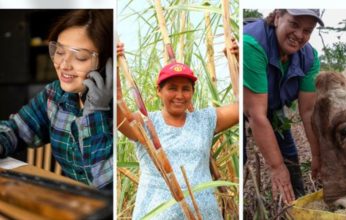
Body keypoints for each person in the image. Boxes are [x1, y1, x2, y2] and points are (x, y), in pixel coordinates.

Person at [117, 41, 239, 219]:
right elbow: (117, 114)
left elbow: (243, 106)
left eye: (186, 89)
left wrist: (236, 61)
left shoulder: (204, 120)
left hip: (203, 215)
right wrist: (113, 66)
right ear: (159, 90)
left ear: (193, 92)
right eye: (172, 88)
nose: (180, 96)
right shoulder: (145, 123)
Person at [0, 9, 113, 190]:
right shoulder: (54, 95)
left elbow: (104, 185)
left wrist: (95, 111)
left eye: (80, 57)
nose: (63, 65)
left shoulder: (121, 112)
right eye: (59, 51)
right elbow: (16, 130)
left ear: (107, 63)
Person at [243, 9, 323, 204]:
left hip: (274, 106)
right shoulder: (252, 44)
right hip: (246, 104)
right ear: (278, 17)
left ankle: (296, 203)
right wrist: (276, 167)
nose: (299, 35)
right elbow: (256, 115)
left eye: (307, 30)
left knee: (289, 155)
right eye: (294, 24)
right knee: (243, 155)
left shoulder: (310, 58)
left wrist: (317, 154)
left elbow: (308, 110)